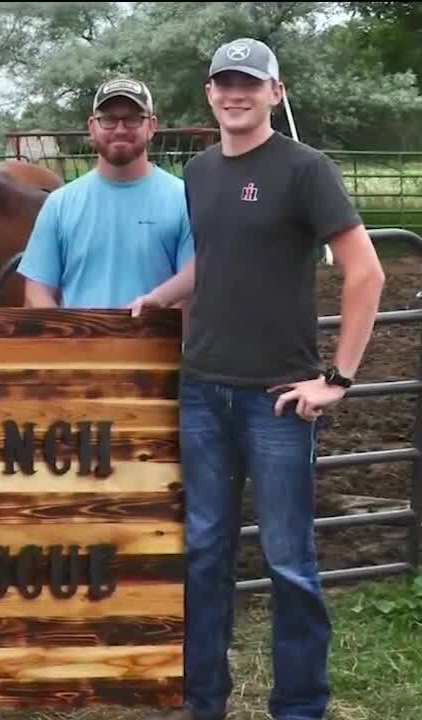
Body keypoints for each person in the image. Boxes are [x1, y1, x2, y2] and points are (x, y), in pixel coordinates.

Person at [130, 39, 385, 720]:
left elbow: (367, 273)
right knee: (205, 552)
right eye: (223, 82)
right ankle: (202, 702)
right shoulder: (200, 172)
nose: (234, 93)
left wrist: (339, 378)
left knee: (289, 561)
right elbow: (214, 262)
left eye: (249, 82)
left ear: (277, 91)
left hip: (277, 399)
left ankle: (299, 706)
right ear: (210, 93)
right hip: (202, 390)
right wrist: (163, 294)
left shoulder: (307, 170)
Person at [18, 77, 193, 308]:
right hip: (79, 343)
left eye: (132, 119)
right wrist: (67, 338)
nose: (120, 129)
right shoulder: (59, 204)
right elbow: (36, 289)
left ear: (151, 126)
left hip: (156, 342)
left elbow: (190, 289)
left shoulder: (184, 200)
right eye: (108, 119)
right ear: (92, 127)